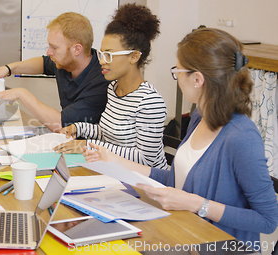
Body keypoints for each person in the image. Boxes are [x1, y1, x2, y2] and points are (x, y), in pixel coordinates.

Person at [84, 28, 278, 245]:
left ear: (197, 79)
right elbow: (180, 180)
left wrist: (197, 204)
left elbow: (268, 220)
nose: (176, 77)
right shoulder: (200, 116)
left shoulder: (242, 137)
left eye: (177, 71)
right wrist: (117, 161)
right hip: (183, 234)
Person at [55, 4, 168, 170]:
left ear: (134, 56)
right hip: (117, 172)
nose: (101, 61)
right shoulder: (113, 89)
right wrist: (78, 127)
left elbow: (145, 160)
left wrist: (88, 144)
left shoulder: (150, 101)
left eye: (109, 55)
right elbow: (107, 133)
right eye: (101, 54)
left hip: (147, 185)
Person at [0, 12, 109, 132]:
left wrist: (22, 94)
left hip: (89, 147)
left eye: (54, 47)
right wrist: (9, 69)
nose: (49, 52)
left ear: (77, 49)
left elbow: (62, 126)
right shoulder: (65, 62)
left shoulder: (100, 81)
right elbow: (43, 63)